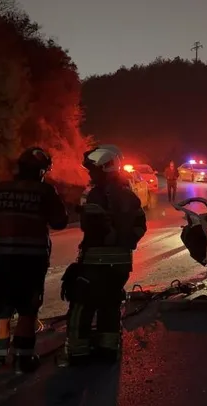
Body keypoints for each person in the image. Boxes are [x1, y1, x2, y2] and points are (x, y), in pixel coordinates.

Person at [60, 144, 147, 366]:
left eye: (94, 170)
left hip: (95, 262)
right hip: (121, 264)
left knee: (82, 303)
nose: (91, 175)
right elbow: (140, 226)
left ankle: (78, 351)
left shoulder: (95, 194)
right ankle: (108, 349)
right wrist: (125, 242)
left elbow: (89, 226)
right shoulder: (130, 196)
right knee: (110, 304)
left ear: (105, 168)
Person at [0, 147, 69, 373]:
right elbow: (60, 221)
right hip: (32, 261)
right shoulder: (45, 191)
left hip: (5, 259)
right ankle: (23, 361)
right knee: (27, 310)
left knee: (2, 310)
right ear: (41, 171)